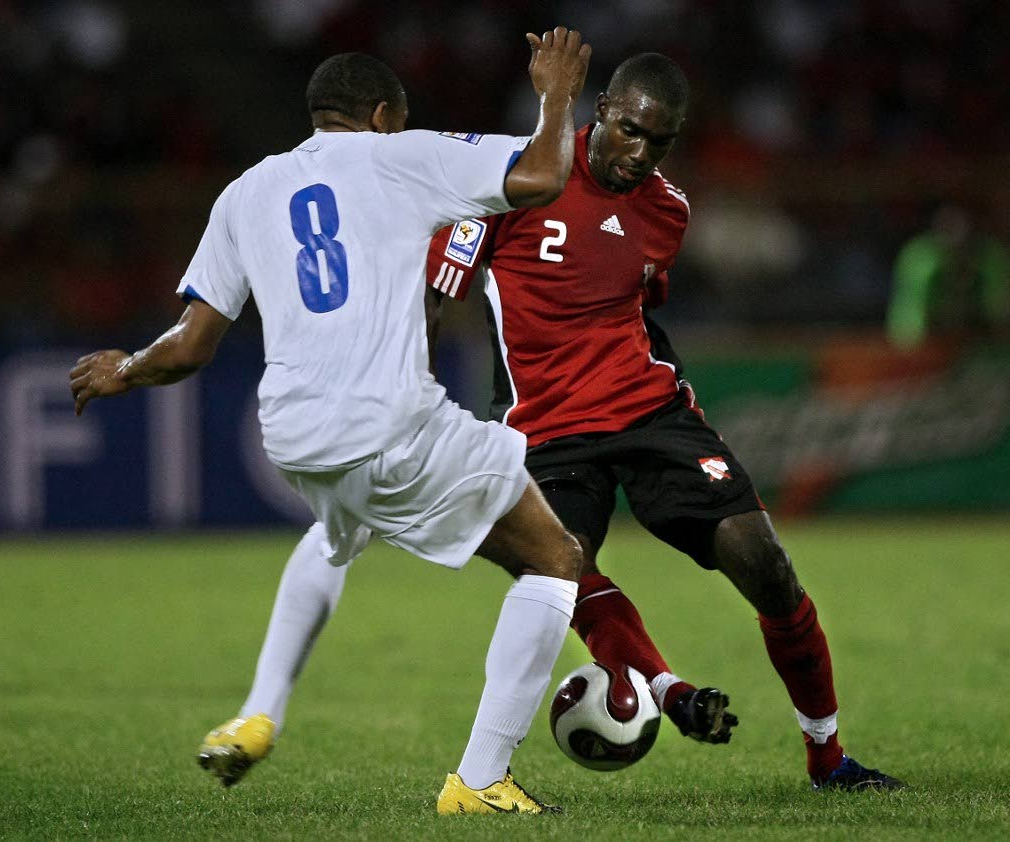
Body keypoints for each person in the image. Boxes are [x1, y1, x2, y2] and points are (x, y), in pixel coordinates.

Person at [201, 52, 904, 792]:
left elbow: (638, 303)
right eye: (629, 130)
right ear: (600, 110)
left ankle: (829, 758)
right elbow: (435, 296)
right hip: (549, 431)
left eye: (658, 142)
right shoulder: (510, 182)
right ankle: (663, 691)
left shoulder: (669, 211)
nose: (639, 152)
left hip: (651, 412)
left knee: (766, 565)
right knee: (557, 566)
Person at [69, 30, 594, 816]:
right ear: (383, 115)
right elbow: (546, 175)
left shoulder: (248, 190)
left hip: (294, 436)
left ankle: (259, 712)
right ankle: (481, 782)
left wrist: (125, 369)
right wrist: (554, 93)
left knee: (336, 531)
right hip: (391, 425)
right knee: (555, 557)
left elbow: (188, 347)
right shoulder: (403, 155)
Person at [887, 204, 1010, 349]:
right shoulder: (920, 260)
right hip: (933, 337)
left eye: (962, 250)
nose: (956, 255)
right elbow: (907, 322)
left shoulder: (990, 258)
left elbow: (999, 311)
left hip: (978, 336)